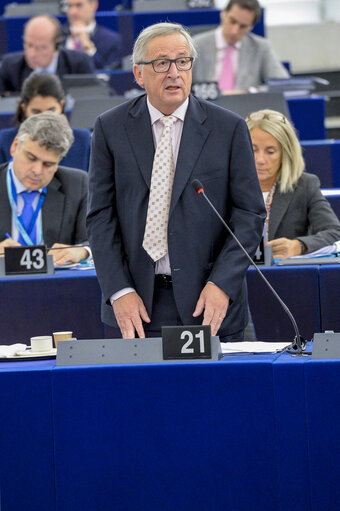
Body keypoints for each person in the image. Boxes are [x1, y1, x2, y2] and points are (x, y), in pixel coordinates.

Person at [86, 22, 266, 341]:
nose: (174, 72)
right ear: (139, 74)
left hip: (210, 302)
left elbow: (249, 215)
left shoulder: (229, 129)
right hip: (138, 306)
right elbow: (101, 216)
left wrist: (222, 283)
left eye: (182, 61)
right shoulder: (109, 128)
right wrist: (119, 290)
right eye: (161, 63)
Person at [246, 109, 340, 259]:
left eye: (270, 151)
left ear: (286, 154)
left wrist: (299, 246)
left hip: (283, 275)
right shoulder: (224, 186)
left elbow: (335, 233)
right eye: (253, 150)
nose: (260, 160)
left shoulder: (305, 185)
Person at [0, 112, 89, 266]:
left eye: (48, 164)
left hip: (55, 286)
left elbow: (97, 240)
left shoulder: (78, 184)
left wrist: (82, 251)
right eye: (31, 158)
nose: (37, 170)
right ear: (15, 146)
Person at [192, 0, 289, 94]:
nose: (235, 31)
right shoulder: (195, 44)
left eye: (243, 26)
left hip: (245, 106)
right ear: (223, 13)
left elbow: (282, 85)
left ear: (251, 26)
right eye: (232, 21)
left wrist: (251, 92)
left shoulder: (260, 47)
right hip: (205, 106)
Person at [0, 72, 91, 171]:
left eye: (51, 110)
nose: (44, 118)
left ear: (61, 106)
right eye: (36, 111)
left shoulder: (83, 141)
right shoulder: (5, 141)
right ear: (24, 109)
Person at [0, 15, 94, 95]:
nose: (31, 54)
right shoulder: (10, 66)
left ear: (57, 46)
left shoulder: (78, 64)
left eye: (40, 48)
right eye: (28, 45)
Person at [63, 0, 122, 70]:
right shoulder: (58, 36)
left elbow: (107, 76)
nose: (73, 12)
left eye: (79, 5)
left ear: (94, 5)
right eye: (69, 6)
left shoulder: (111, 41)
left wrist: (87, 46)